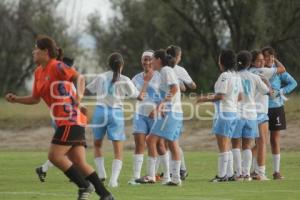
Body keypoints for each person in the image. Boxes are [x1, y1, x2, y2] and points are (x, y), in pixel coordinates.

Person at [5, 35, 114, 200]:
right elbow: (35, 99)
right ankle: (106, 195)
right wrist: (17, 99)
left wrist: (79, 99)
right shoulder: (38, 72)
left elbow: (80, 78)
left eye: (36, 48)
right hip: (68, 120)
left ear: (45, 52)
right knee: (79, 162)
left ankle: (85, 186)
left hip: (70, 119)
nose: (33, 51)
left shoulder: (56, 66)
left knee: (54, 156)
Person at [86, 52, 143, 188]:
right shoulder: (125, 79)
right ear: (122, 65)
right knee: (118, 150)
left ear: (108, 65)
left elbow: (87, 91)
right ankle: (113, 181)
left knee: (97, 144)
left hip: (100, 112)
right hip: (116, 113)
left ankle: (101, 174)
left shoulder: (101, 77)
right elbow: (137, 96)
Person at [137, 49, 183, 186]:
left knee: (150, 140)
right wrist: (159, 105)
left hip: (171, 112)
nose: (150, 62)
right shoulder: (164, 71)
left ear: (158, 60)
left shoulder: (165, 71)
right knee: (172, 144)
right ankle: (174, 178)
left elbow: (174, 88)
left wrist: (160, 106)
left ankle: (152, 176)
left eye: (152, 59)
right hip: (173, 112)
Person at [197, 49, 242, 182]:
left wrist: (203, 98)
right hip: (233, 112)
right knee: (227, 144)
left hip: (224, 113)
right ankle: (229, 174)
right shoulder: (236, 76)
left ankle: (222, 175)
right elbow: (240, 96)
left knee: (223, 146)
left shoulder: (225, 76)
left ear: (223, 61)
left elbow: (220, 96)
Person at [231, 50, 270, 181]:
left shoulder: (234, 76)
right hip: (252, 115)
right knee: (247, 145)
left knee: (235, 144)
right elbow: (266, 91)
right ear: (249, 64)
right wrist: (266, 82)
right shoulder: (255, 77)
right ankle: (247, 174)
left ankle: (238, 173)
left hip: (237, 114)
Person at [35, 57, 75, 183]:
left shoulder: (59, 78)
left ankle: (44, 169)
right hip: (64, 119)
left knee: (68, 148)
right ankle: (73, 175)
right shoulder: (66, 81)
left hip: (61, 118)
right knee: (67, 148)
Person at [248, 50, 286, 180]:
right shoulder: (262, 71)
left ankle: (244, 172)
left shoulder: (247, 73)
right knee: (262, 142)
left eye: (263, 59)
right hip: (261, 112)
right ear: (252, 62)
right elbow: (282, 69)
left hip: (248, 111)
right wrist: (273, 60)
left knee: (248, 144)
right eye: (259, 60)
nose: (263, 61)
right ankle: (260, 173)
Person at [262, 46, 297, 179]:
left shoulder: (278, 72)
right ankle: (257, 170)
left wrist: (281, 92)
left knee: (275, 139)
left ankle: (276, 172)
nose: (269, 59)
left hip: (276, 108)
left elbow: (293, 83)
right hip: (261, 109)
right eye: (267, 56)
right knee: (260, 140)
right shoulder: (259, 71)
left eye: (272, 56)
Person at [128, 50, 161, 185]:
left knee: (156, 144)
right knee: (139, 144)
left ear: (153, 61)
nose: (146, 62)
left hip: (156, 115)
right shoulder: (136, 79)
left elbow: (167, 95)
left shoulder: (160, 76)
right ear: (141, 61)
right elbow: (136, 95)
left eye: (149, 59)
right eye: (144, 59)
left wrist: (158, 109)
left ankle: (152, 175)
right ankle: (136, 177)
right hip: (140, 114)